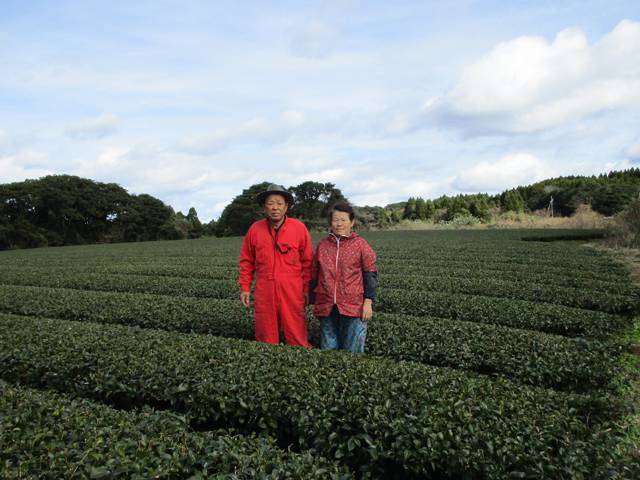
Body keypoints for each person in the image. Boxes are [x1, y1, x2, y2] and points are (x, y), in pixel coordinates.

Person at [238, 184, 312, 347]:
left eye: (279, 203)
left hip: (292, 288)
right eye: (271, 203)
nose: (275, 208)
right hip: (265, 289)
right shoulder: (255, 230)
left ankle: (301, 363)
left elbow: (307, 263)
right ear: (265, 206)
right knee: (266, 335)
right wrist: (244, 287)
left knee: (296, 332)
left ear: (286, 207)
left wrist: (306, 289)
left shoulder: (299, 228)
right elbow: (247, 261)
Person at [311, 202, 378, 353]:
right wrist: (309, 298)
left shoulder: (360, 245)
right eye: (335, 220)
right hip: (327, 306)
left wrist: (368, 301)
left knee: (353, 351)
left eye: (343, 219)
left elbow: (370, 274)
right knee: (328, 349)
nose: (339, 223)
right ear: (330, 222)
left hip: (353, 306)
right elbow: (315, 274)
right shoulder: (323, 245)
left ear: (352, 222)